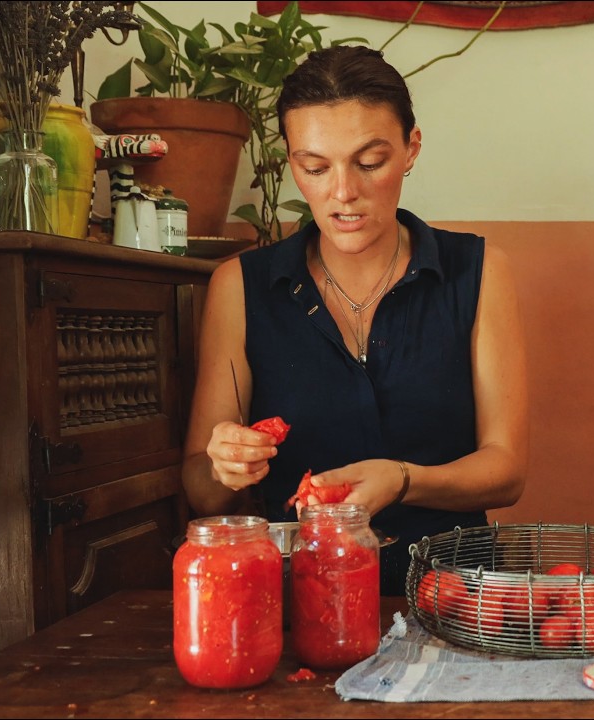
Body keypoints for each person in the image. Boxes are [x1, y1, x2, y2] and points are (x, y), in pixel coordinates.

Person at [182, 45, 529, 595]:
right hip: (303, 595)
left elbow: (506, 472)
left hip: (456, 592)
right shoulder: (241, 287)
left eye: (370, 163)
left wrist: (402, 479)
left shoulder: (478, 270)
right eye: (315, 168)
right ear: (291, 162)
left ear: (411, 149)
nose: (343, 192)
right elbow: (203, 492)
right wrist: (225, 465)